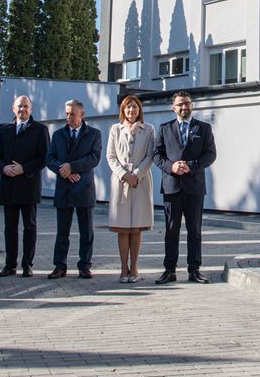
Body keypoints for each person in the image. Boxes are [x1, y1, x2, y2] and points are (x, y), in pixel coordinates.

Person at [153, 91, 217, 284]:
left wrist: (192, 165)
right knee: (171, 230)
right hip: (172, 186)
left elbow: (211, 154)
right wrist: (171, 167)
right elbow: (156, 155)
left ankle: (194, 270)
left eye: (187, 104)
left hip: (194, 186)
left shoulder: (203, 128)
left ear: (192, 106)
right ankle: (169, 270)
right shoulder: (164, 129)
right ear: (174, 108)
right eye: (180, 104)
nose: (184, 107)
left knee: (194, 231)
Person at [0, 95, 49, 278]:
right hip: (9, 185)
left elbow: (44, 158)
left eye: (25, 107)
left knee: (29, 227)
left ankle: (27, 265)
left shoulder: (40, 130)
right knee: (10, 228)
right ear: (13, 109)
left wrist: (24, 169)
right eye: (19, 107)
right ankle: (10, 265)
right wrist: (4, 168)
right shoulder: (6, 130)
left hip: (28, 185)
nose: (22, 110)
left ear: (31, 109)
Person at [45, 99, 101, 280]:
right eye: (67, 113)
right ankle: (60, 266)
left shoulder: (93, 134)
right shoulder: (58, 134)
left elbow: (94, 158)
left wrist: (73, 167)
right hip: (64, 188)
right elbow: (50, 158)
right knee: (62, 231)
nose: (69, 117)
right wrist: (65, 170)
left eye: (72, 114)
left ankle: (84, 266)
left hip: (84, 188)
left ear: (82, 114)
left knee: (86, 231)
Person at [106, 95, 155, 283]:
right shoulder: (115, 129)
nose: (131, 111)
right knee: (123, 227)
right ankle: (123, 267)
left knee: (136, 228)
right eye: (128, 108)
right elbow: (111, 157)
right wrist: (123, 174)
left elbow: (151, 155)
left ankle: (134, 266)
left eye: (134, 107)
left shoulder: (148, 129)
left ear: (139, 110)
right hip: (121, 182)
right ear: (123, 110)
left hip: (140, 181)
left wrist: (137, 174)